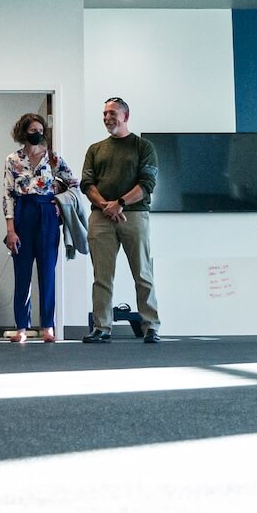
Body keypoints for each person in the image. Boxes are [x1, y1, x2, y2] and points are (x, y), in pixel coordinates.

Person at [79, 97, 161, 344]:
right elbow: (87, 184)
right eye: (104, 113)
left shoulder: (143, 147)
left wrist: (120, 203)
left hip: (134, 215)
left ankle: (151, 326)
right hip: (101, 217)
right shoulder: (95, 149)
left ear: (126, 116)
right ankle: (102, 327)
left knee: (142, 272)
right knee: (101, 276)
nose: (107, 117)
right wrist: (106, 205)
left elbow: (147, 184)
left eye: (112, 113)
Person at [2, 113, 74, 344]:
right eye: (33, 130)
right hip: (23, 213)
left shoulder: (53, 159)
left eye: (40, 130)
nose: (37, 134)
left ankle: (48, 326)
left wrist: (59, 202)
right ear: (24, 132)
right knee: (22, 273)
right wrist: (10, 229)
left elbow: (74, 182)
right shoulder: (12, 160)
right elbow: (7, 196)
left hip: (47, 215)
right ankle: (21, 327)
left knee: (47, 272)